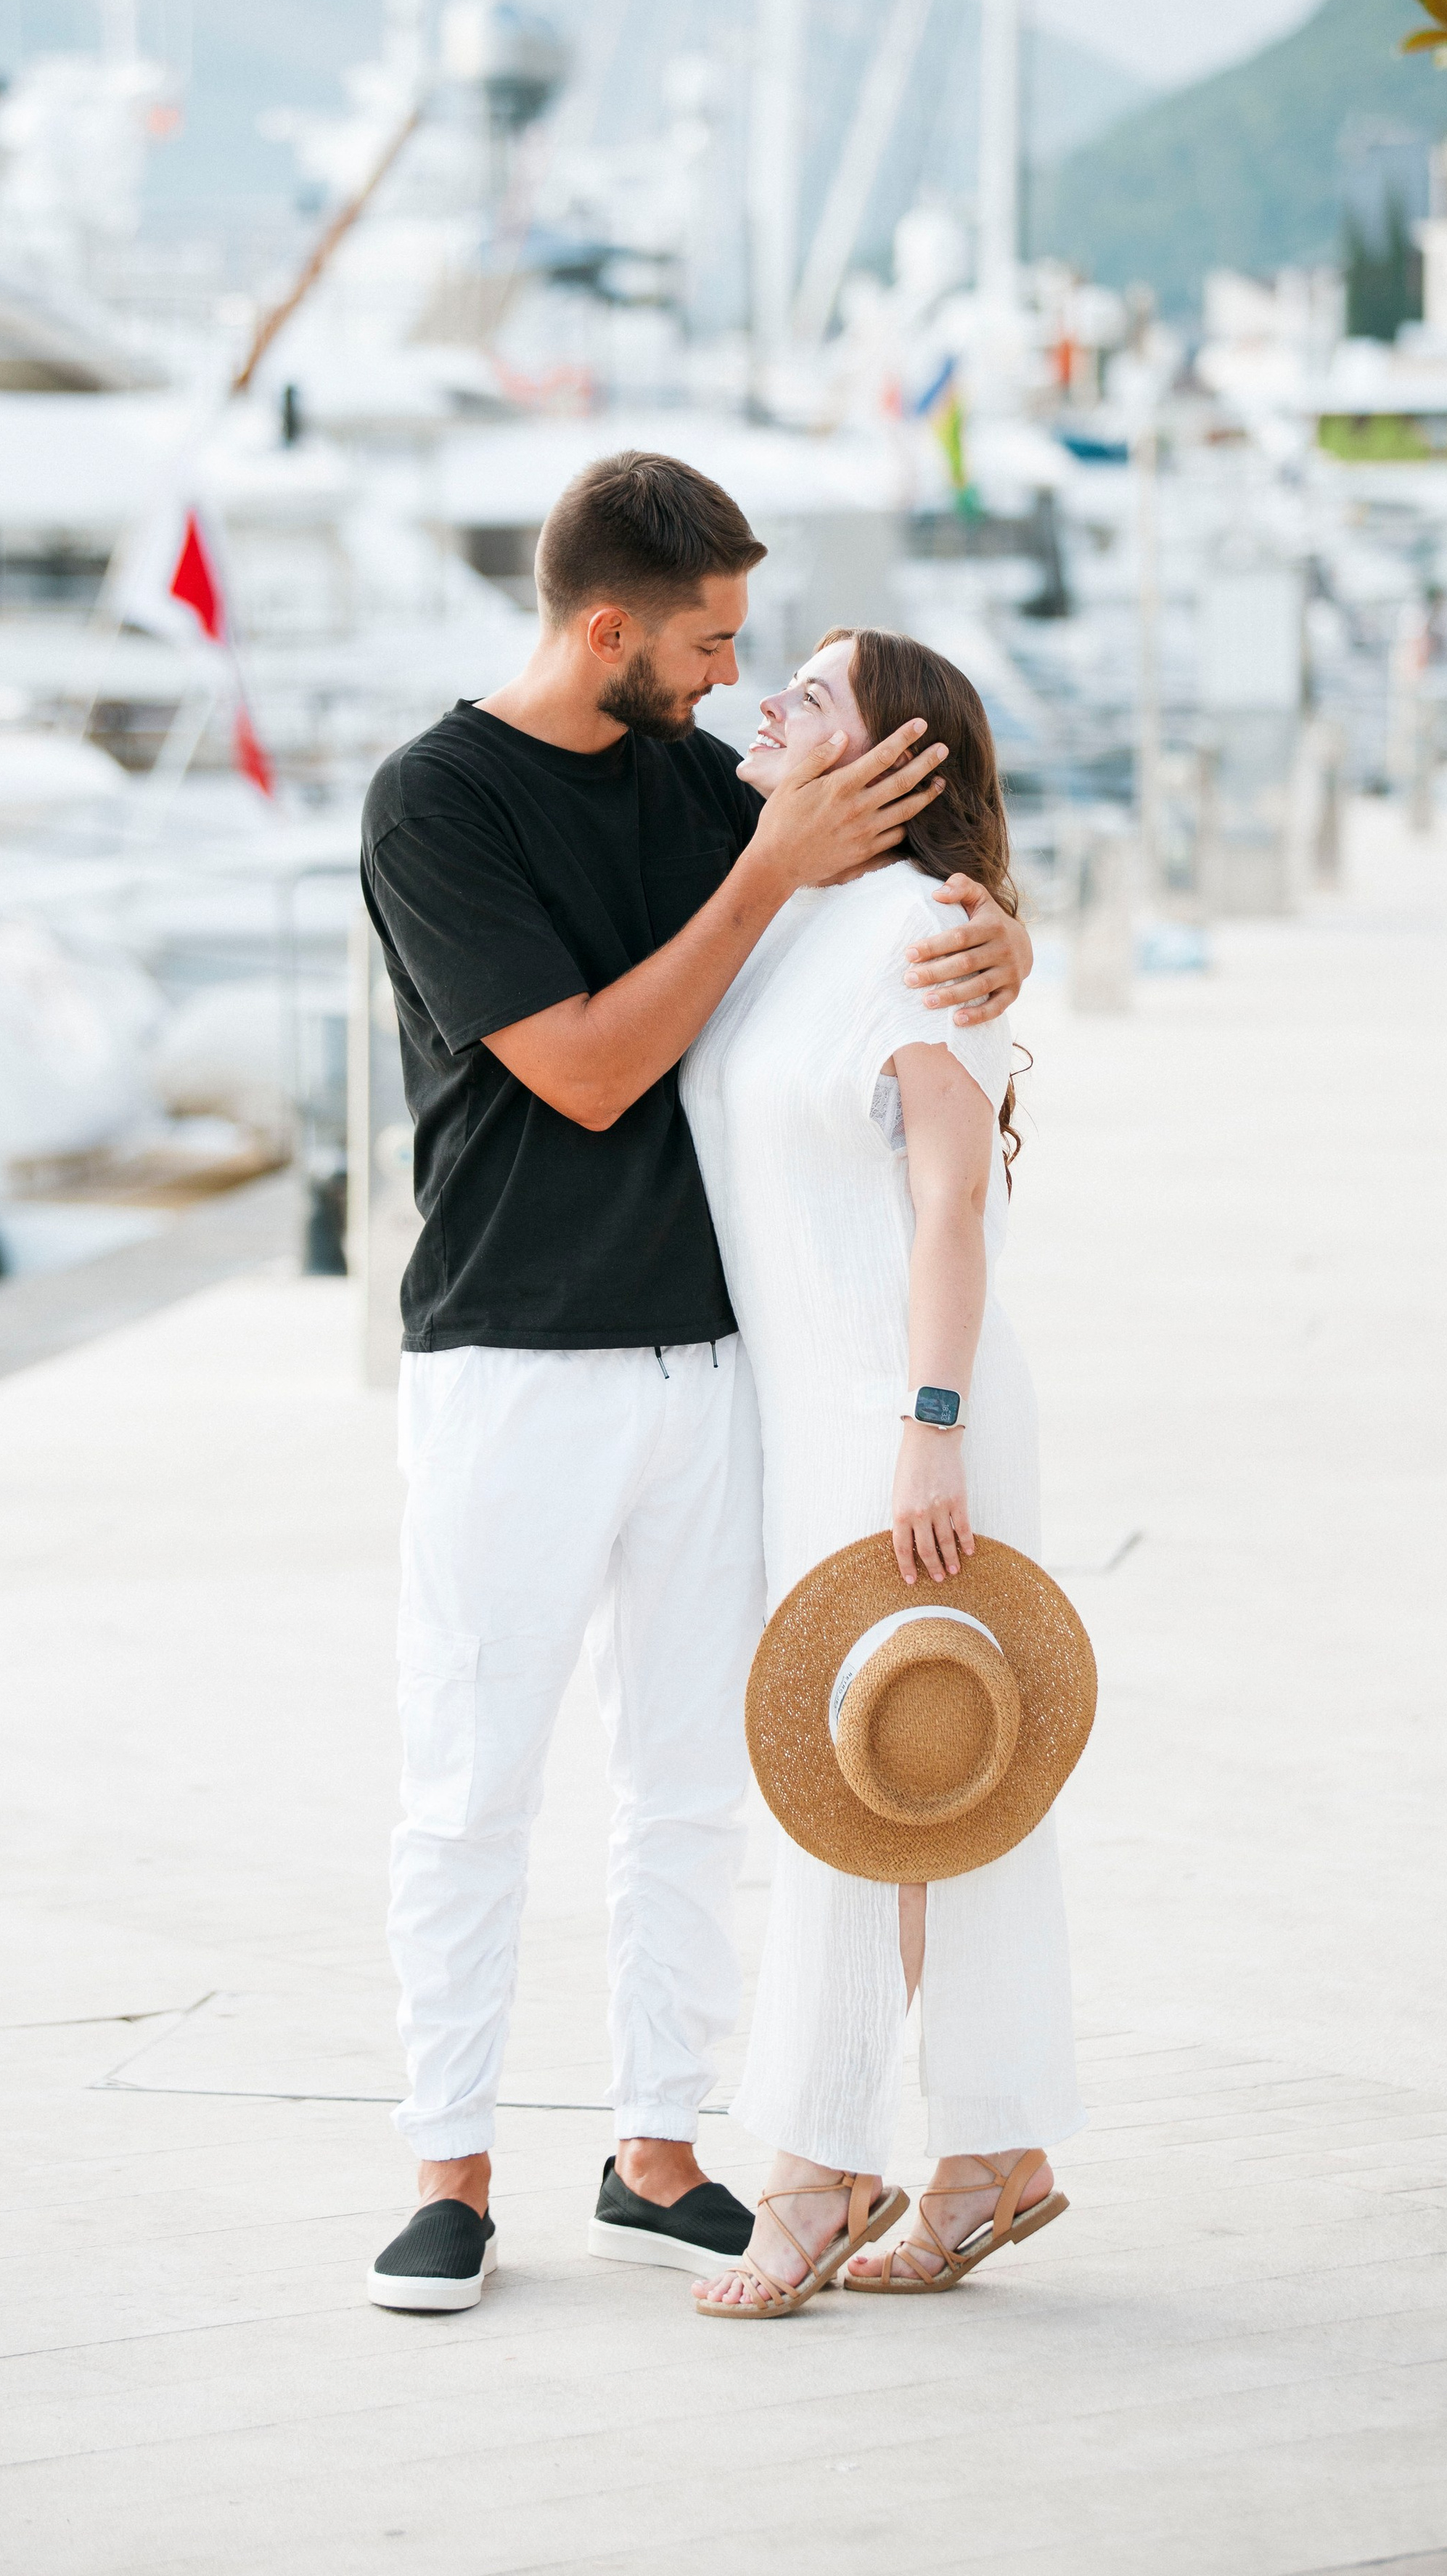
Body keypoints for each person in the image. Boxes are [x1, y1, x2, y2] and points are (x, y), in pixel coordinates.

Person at [358, 454, 1034, 2312]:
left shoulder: (697, 782)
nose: (735, 683)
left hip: (717, 1364)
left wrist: (992, 935)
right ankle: (448, 2168)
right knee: (471, 1776)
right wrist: (764, 871)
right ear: (605, 631)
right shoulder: (438, 801)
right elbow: (581, 1069)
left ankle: (657, 2152)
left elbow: (890, 918)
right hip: (509, 1357)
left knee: (686, 1785)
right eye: (707, 642)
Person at [681, 626, 1083, 2316]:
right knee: (909, 1786)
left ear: (894, 760)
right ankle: (991, 2152)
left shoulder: (925, 935)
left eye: (816, 694)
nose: (768, 701)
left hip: (896, 1416)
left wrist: (930, 1422)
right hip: (813, 1411)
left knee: (868, 1790)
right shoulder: (789, 910)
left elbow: (943, 1204)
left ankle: (813, 2166)